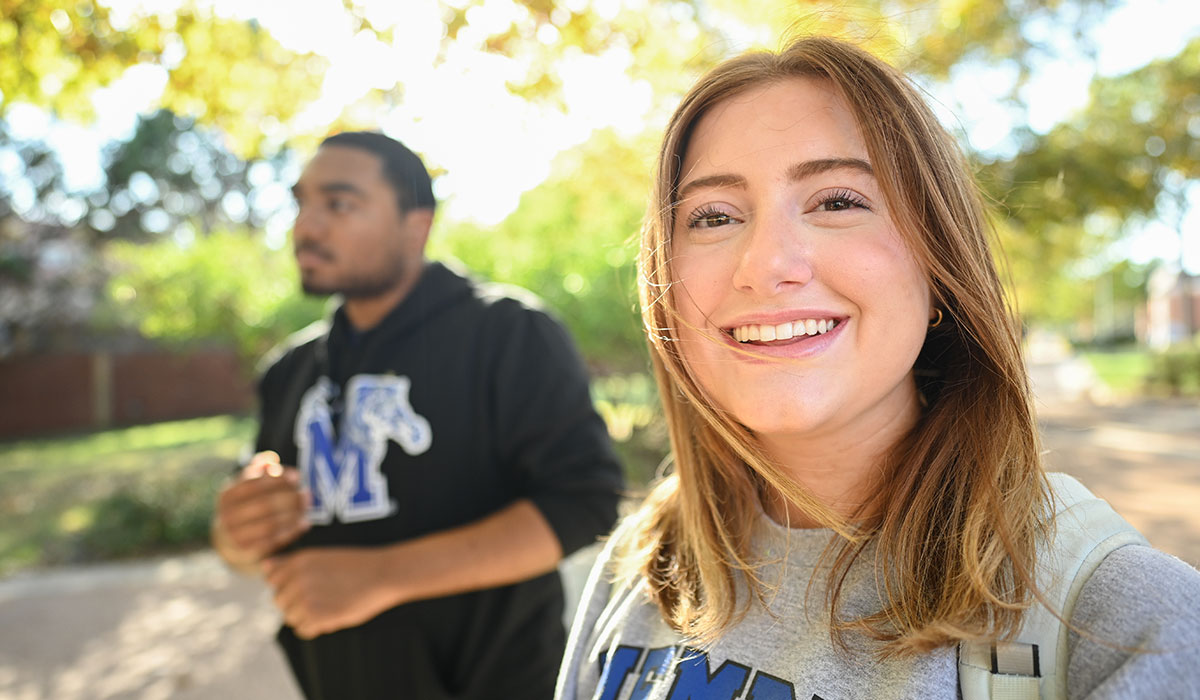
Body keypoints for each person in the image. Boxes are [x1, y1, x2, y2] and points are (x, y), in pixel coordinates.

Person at [556, 36, 1200, 700]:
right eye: (714, 216)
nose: (767, 263)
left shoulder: (1134, 625)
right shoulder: (639, 564)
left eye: (837, 202)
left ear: (938, 267)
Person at [211, 131, 624, 700]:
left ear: (416, 225)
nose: (306, 226)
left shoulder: (508, 332)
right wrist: (236, 533)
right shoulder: (292, 369)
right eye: (301, 203)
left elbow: (585, 503)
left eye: (339, 203)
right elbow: (246, 538)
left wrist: (379, 576)